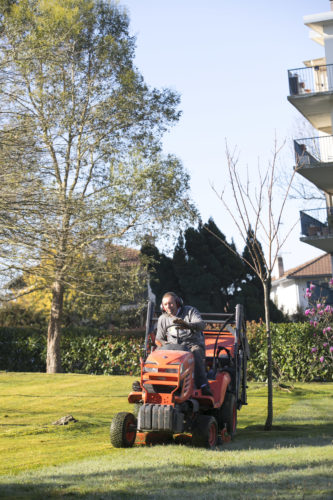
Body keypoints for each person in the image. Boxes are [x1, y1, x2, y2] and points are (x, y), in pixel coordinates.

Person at [156, 291, 213, 396]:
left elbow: (201, 325)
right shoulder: (162, 319)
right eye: (165, 304)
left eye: (171, 303)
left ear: (178, 303)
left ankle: (203, 385)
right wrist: (165, 344)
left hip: (192, 344)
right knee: (155, 355)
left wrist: (188, 325)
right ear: (162, 307)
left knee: (195, 353)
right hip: (173, 347)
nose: (168, 306)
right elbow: (158, 339)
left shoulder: (190, 311)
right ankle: (151, 383)